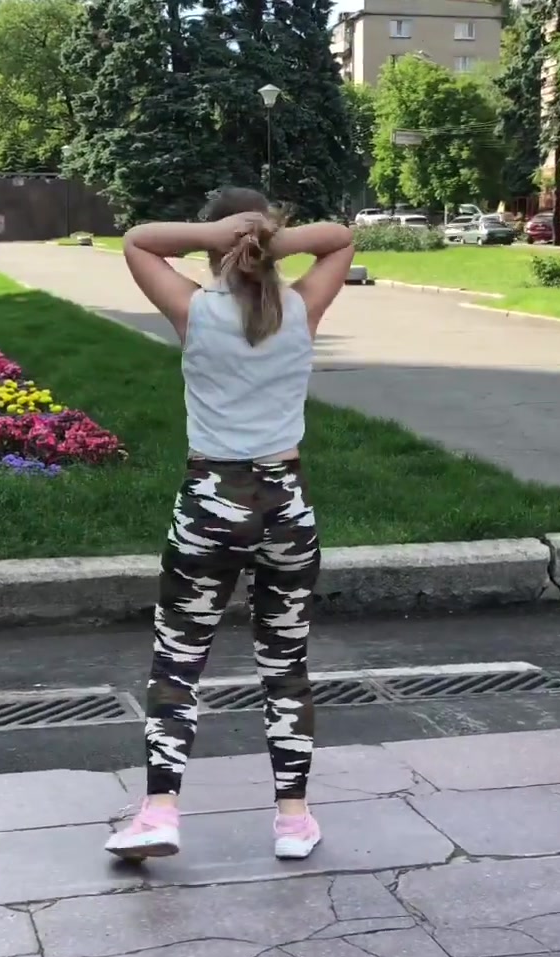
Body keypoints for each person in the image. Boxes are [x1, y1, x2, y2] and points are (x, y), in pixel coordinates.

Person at [105, 187, 355, 862]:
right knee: (286, 664)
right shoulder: (301, 308)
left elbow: (137, 240)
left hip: (210, 505)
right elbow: (339, 238)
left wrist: (219, 235)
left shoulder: (194, 311)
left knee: (178, 661)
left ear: (215, 244)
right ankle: (293, 821)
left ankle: (159, 812)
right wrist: (271, 238)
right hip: (287, 507)